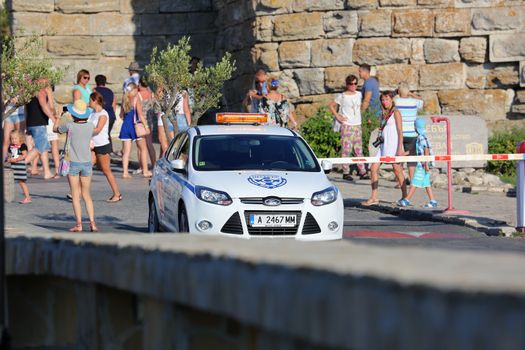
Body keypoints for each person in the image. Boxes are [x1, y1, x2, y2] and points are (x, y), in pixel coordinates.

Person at [53, 100, 97, 232]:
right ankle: (93, 223)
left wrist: (59, 116)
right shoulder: (90, 126)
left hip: (73, 163)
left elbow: (55, 129)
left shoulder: (70, 126)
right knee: (87, 194)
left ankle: (79, 224)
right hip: (87, 163)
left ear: (73, 114)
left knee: (75, 194)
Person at [362, 91, 407, 206]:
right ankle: (374, 197)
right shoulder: (383, 113)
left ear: (391, 100)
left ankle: (405, 197)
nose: (385, 102)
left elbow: (400, 131)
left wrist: (399, 149)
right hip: (383, 146)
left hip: (393, 145)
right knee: (373, 169)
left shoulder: (396, 112)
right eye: (383, 100)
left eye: (387, 99)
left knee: (397, 170)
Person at [329, 74, 370, 182]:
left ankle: (362, 171)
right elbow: (331, 105)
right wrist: (337, 116)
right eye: (351, 84)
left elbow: (365, 102)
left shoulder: (359, 94)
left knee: (358, 149)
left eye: (355, 83)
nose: (353, 86)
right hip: (347, 125)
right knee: (346, 149)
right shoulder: (342, 96)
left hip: (357, 124)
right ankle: (346, 172)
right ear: (347, 84)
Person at [88, 92, 122, 203]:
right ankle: (79, 193)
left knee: (106, 171)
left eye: (90, 100)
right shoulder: (92, 113)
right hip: (93, 145)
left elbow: (98, 129)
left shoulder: (103, 114)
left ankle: (117, 194)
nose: (89, 103)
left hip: (102, 145)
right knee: (87, 167)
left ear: (95, 101)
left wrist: (83, 131)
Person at [398, 119, 438, 208]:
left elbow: (426, 150)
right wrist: (403, 154)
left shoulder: (422, 137)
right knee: (426, 184)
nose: (414, 128)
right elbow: (413, 150)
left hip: (422, 165)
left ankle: (406, 200)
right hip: (423, 164)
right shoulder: (420, 137)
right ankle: (433, 201)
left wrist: (426, 164)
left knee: (415, 182)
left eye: (414, 126)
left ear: (417, 127)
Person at [119, 83, 152, 179]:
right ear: (133, 90)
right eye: (136, 89)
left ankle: (125, 172)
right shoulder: (136, 99)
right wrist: (146, 126)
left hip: (125, 126)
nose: (137, 91)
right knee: (143, 148)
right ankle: (145, 171)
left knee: (126, 152)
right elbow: (140, 114)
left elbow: (121, 115)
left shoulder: (124, 99)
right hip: (135, 126)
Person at [394, 82, 424, 183]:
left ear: (398, 91)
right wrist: (411, 94)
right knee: (411, 159)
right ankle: (412, 180)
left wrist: (397, 94)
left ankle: (400, 182)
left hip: (399, 133)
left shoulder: (396, 101)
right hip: (412, 133)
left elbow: (390, 101)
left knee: (399, 158)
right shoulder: (414, 102)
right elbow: (422, 101)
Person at [25, 84, 55, 179]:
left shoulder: (30, 90)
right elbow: (46, 107)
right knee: (39, 147)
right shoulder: (40, 91)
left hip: (32, 122)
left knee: (44, 148)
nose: (48, 82)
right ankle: (20, 164)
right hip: (38, 123)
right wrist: (53, 119)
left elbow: (26, 109)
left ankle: (47, 172)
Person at [93, 75, 117, 152]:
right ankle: (110, 149)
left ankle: (104, 150)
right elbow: (114, 104)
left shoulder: (94, 91)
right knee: (107, 132)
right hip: (111, 114)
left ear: (96, 82)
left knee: (101, 133)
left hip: (101, 114)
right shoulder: (110, 91)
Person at [6, 130, 31, 204]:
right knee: (18, 182)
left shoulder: (22, 145)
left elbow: (24, 155)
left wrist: (16, 159)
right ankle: (27, 197)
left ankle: (27, 197)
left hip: (20, 167)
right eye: (12, 139)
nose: (13, 140)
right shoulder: (11, 146)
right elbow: (10, 155)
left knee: (22, 182)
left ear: (20, 138)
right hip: (14, 167)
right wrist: (9, 159)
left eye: (15, 138)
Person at [138, 78, 156, 169]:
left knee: (140, 146)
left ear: (140, 84)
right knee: (150, 144)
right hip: (150, 121)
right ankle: (154, 164)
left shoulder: (138, 95)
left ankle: (142, 166)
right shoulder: (152, 94)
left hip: (140, 122)